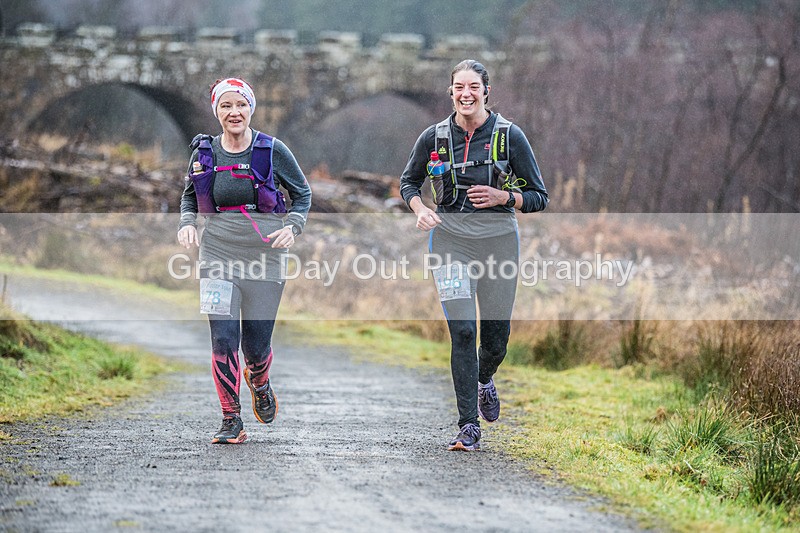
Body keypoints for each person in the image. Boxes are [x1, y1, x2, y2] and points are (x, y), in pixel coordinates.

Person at [399, 60, 548, 451]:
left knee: (495, 339)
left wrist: (504, 197)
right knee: (464, 332)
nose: (466, 94)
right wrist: (421, 210)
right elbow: (408, 182)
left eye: (473, 87)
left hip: (499, 242)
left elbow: (539, 197)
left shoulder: (509, 136)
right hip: (450, 242)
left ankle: (485, 379)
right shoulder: (433, 137)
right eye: (459, 87)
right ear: (450, 92)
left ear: (486, 91)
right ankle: (468, 427)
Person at [178, 77, 312, 444]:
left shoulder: (271, 150)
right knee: (223, 339)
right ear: (216, 112)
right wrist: (187, 223)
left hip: (265, 256)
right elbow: (189, 197)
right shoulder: (204, 153)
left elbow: (302, 194)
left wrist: (294, 227)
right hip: (217, 253)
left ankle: (260, 379)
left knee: (255, 346)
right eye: (226, 106)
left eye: (240, 105)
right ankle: (230, 419)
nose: (234, 112)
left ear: (251, 108)